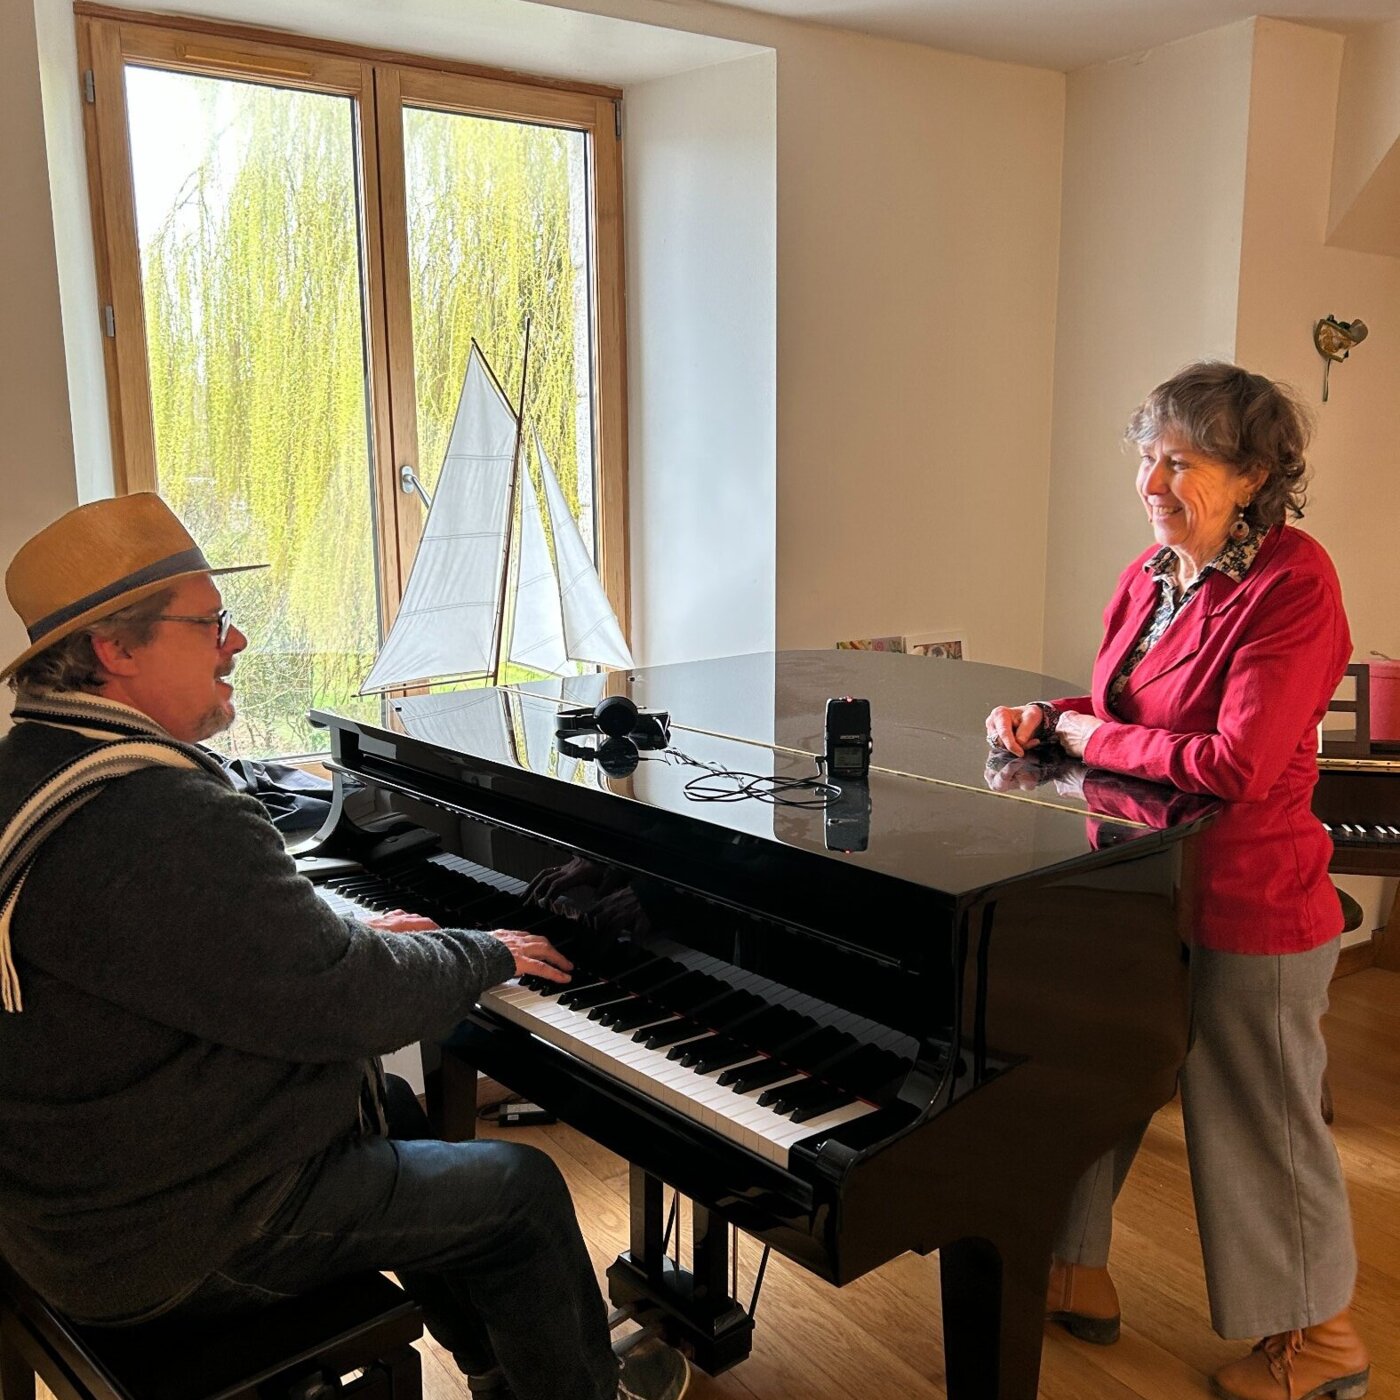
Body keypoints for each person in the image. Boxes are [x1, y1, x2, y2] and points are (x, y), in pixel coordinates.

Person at [0, 493, 688, 1400]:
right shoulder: (157, 812)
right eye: (209, 623)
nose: (235, 642)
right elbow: (343, 1005)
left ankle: (503, 1370)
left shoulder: (39, 768)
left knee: (396, 1112)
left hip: (73, 1202)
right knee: (518, 1190)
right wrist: (485, 950)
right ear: (114, 651)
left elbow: (220, 958)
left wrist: (348, 936)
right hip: (164, 1244)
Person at [986, 362, 1368, 1400]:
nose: (1153, 481)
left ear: (1249, 474)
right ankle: (1072, 1265)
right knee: (1097, 1070)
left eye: (1181, 460)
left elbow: (1233, 762)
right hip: (1138, 893)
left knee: (1259, 1120)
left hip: (1252, 899)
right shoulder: (1150, 573)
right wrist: (1043, 711)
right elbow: (1125, 708)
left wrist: (1086, 730)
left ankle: (1321, 1342)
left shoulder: (1292, 582)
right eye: (1145, 457)